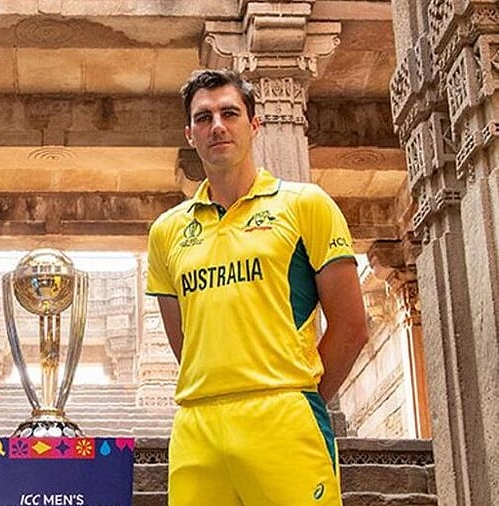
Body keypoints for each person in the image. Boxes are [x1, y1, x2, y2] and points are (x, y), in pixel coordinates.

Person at [146, 69, 369, 506]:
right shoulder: (166, 232)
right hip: (197, 428)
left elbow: (351, 326)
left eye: (229, 113)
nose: (217, 125)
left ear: (253, 124)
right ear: (190, 134)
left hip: (284, 419)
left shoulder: (306, 204)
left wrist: (294, 394)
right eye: (203, 117)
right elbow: (186, 343)